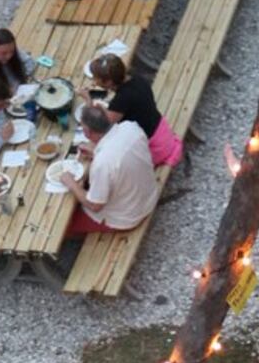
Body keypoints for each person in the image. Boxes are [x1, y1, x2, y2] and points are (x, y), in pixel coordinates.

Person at [60, 103, 157, 236]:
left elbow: (95, 206)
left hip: (128, 217)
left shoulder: (103, 163)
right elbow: (121, 157)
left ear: (87, 132)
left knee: (62, 224)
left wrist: (70, 182)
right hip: (149, 197)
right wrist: (95, 153)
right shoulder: (130, 127)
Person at [86, 51, 182, 170]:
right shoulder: (136, 78)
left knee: (102, 151)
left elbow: (104, 126)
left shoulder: (122, 99)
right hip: (161, 130)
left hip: (153, 146)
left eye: (96, 78)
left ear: (109, 82)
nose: (94, 81)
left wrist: (89, 101)